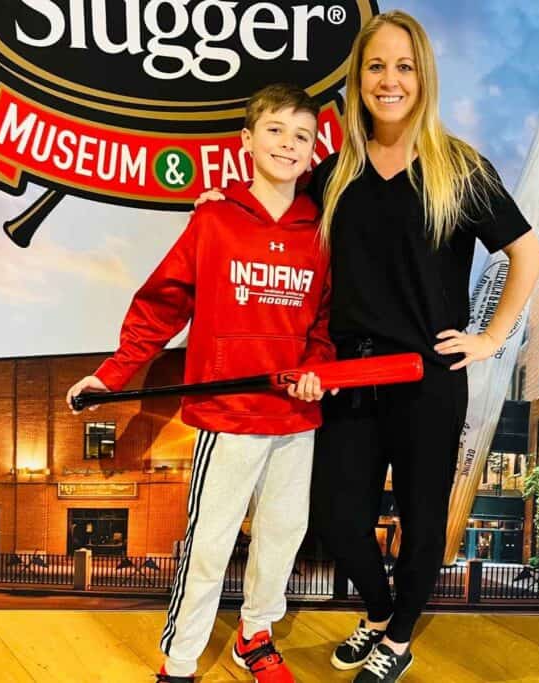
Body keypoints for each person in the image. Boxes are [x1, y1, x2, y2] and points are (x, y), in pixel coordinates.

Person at [197, 11, 539, 682]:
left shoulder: (460, 168)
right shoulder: (333, 174)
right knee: (335, 514)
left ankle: (399, 638)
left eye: (404, 66)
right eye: (376, 66)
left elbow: (527, 252)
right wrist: (224, 201)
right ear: (358, 80)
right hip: (348, 373)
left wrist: (492, 336)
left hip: (427, 375)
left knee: (420, 521)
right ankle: (381, 613)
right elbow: (275, 216)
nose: (390, 80)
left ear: (424, 78)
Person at [66, 83, 336, 683]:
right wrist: (111, 375)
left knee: (283, 536)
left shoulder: (319, 233)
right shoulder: (214, 219)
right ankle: (181, 661)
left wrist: (316, 367)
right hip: (229, 416)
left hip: (296, 419)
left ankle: (256, 636)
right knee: (209, 546)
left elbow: (321, 320)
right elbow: (161, 305)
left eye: (301, 135)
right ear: (247, 139)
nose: (288, 144)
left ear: (314, 149)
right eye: (275, 130)